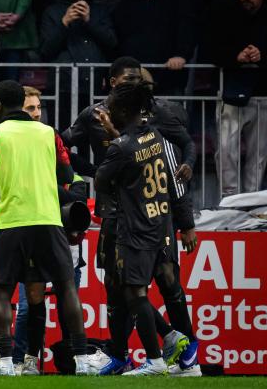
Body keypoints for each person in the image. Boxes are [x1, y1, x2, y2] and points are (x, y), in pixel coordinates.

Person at [62, 57, 198, 375]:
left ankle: (185, 352)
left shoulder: (153, 115)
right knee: (116, 285)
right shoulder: (93, 115)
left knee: (167, 284)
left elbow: (184, 146)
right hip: (115, 215)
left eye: (138, 80)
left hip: (151, 214)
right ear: (113, 83)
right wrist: (91, 170)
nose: (134, 85)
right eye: (128, 80)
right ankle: (124, 356)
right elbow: (64, 146)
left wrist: (186, 218)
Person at [0, 80, 99, 377]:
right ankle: (83, 361)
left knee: (1, 293)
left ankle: (8, 363)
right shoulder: (49, 134)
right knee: (66, 289)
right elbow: (66, 173)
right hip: (49, 222)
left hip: (11, 223)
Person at [94, 81, 197, 375]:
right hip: (159, 225)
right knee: (148, 290)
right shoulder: (154, 136)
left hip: (134, 229)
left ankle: (157, 358)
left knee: (135, 292)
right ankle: (175, 344)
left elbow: (102, 180)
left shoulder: (121, 147)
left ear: (124, 110)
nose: (108, 110)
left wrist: (113, 142)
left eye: (112, 106)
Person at [207, 0, 267, 197]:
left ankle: (252, 204)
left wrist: (262, 54)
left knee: (258, 156)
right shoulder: (226, 13)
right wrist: (236, 57)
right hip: (230, 93)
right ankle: (230, 202)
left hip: (265, 94)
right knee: (226, 152)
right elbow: (211, 50)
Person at [40, 0, 117, 126]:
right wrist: (64, 22)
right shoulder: (52, 12)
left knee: (92, 135)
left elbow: (112, 43)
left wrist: (89, 21)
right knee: (63, 133)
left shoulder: (100, 10)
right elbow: (46, 51)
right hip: (62, 84)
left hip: (93, 83)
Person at [111, 0, 196, 95]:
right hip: (131, 79)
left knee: (170, 115)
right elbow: (113, 40)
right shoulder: (122, 5)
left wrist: (181, 54)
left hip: (169, 77)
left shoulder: (178, 2)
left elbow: (187, 30)